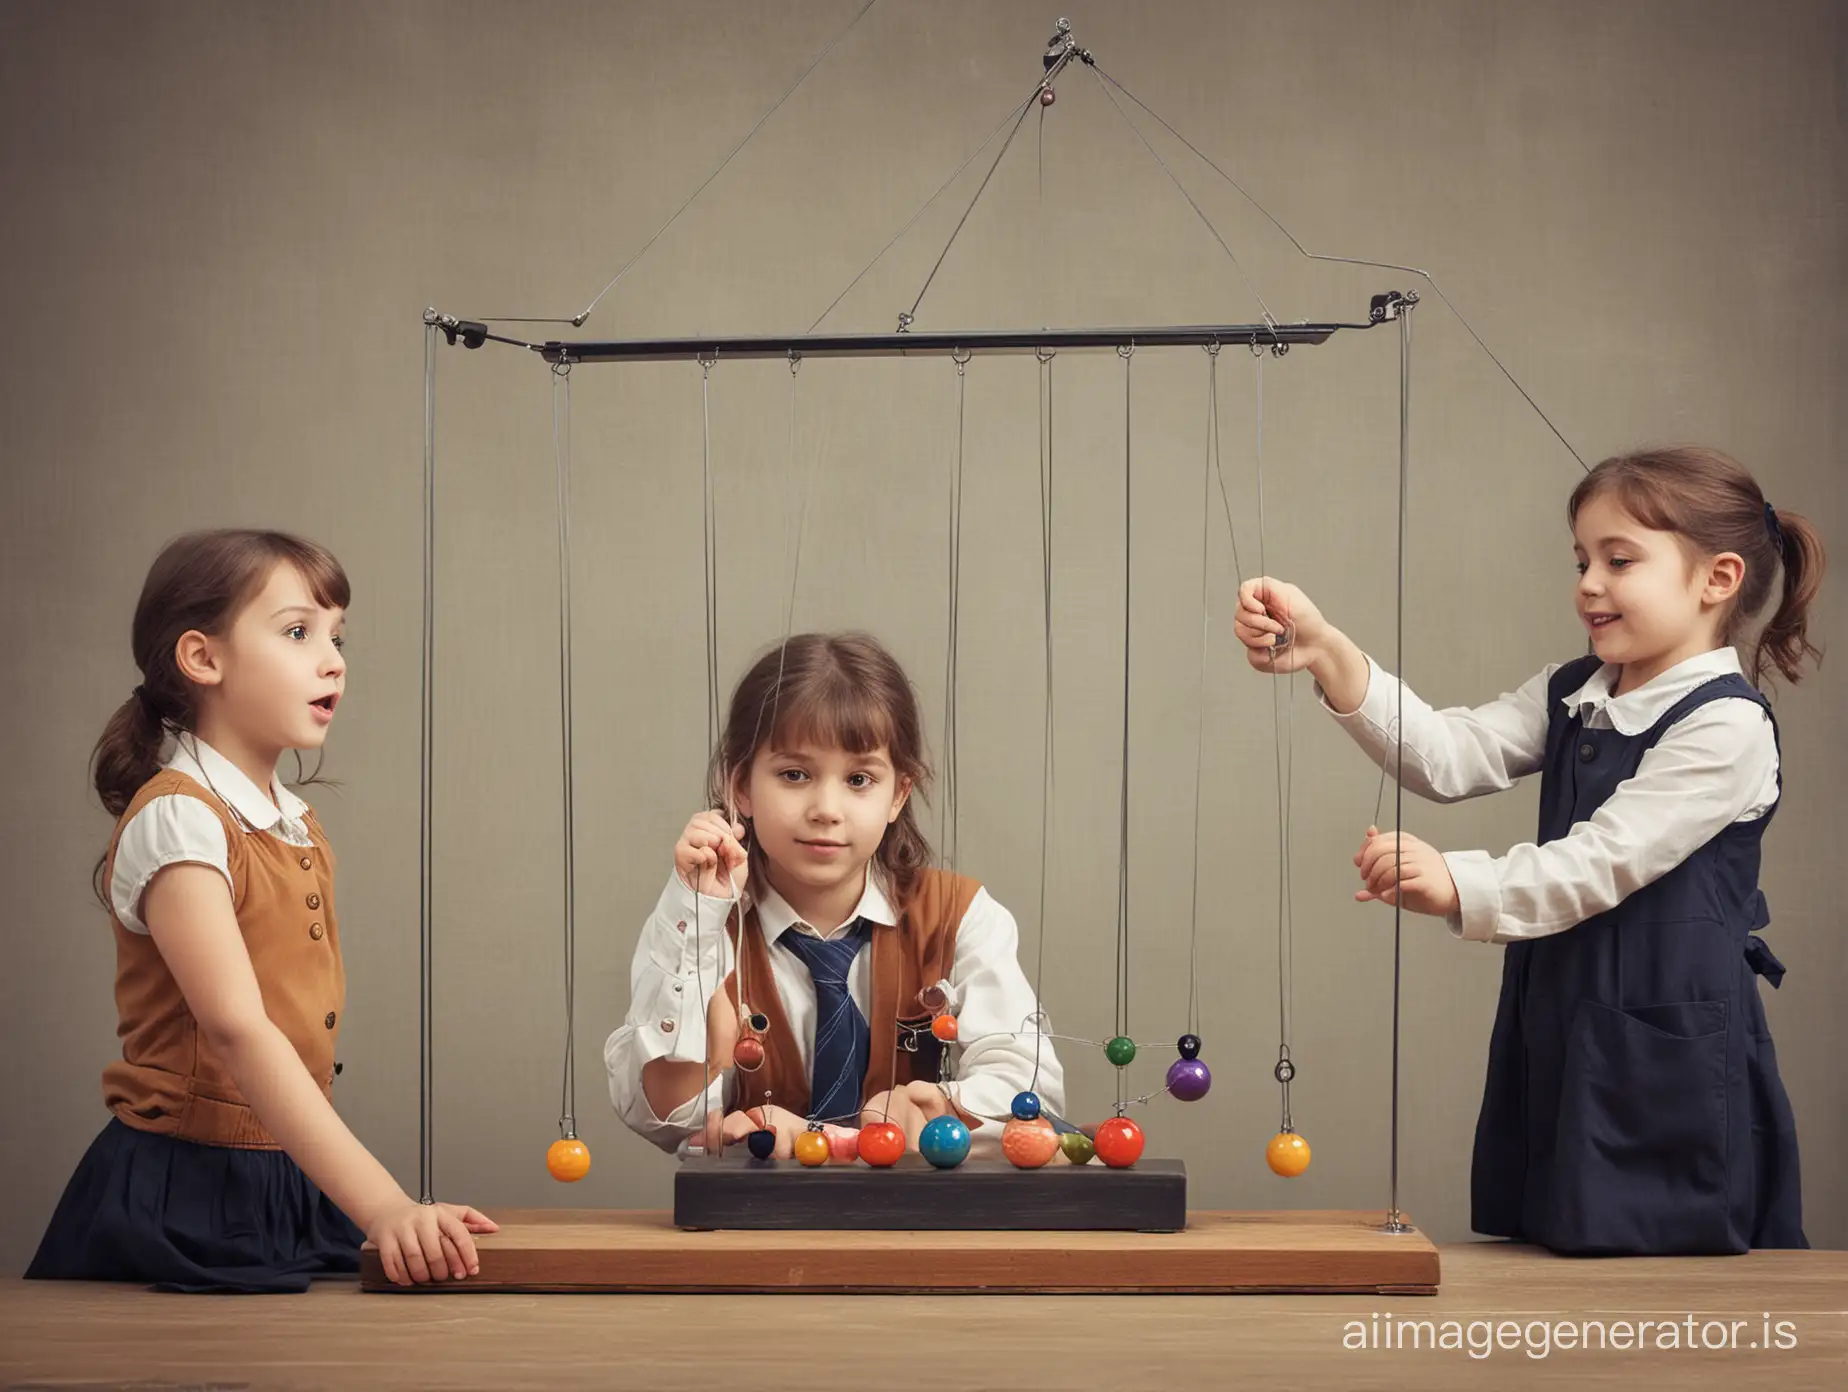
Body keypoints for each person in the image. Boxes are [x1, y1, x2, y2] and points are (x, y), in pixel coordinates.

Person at [1234, 446, 1823, 1254]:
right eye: (1583, 559)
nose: (1588, 582)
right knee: (1558, 1255)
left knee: (1668, 1271)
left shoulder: (1726, 725)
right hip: (1567, 1024)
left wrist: (1456, 882)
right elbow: (1447, 752)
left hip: (1668, 1051)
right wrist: (1329, 650)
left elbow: (1599, 863)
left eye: (1620, 560)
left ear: (1717, 579)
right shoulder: (1576, 690)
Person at [28, 529, 495, 1290]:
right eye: (299, 631)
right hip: (185, 1190)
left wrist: (393, 1211)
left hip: (285, 1181)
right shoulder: (179, 819)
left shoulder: (290, 821)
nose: (334, 658)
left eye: (338, 635)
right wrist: (382, 1205)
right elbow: (238, 1029)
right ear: (202, 658)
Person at [605, 631, 1064, 1159]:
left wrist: (938, 1104)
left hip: (928, 1232)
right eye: (794, 774)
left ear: (899, 794)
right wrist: (698, 912)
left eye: (860, 779)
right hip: (751, 1234)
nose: (826, 808)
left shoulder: (958, 917)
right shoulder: (705, 919)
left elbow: (1031, 1088)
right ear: (741, 787)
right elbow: (659, 1116)